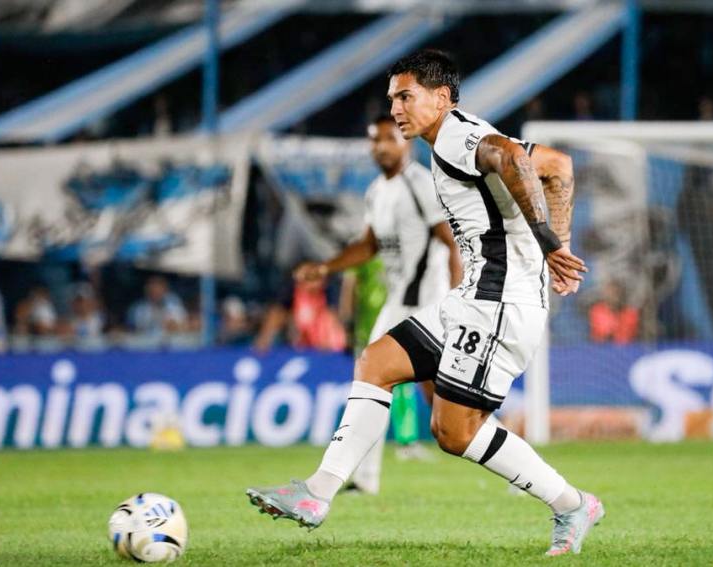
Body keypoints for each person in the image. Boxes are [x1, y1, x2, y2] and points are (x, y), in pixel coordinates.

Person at [247, 49, 602, 556]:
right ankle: (316, 493)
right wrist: (557, 245)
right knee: (376, 364)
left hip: (499, 303)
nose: (395, 109)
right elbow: (557, 165)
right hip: (473, 297)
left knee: (454, 433)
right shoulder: (457, 136)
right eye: (392, 99)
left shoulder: (456, 136)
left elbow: (512, 160)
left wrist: (549, 243)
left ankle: (572, 503)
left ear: (441, 97)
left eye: (405, 97)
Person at [291, 115, 462, 493]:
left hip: (427, 302)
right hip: (398, 301)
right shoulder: (376, 191)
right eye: (374, 140)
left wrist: (457, 300)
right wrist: (326, 267)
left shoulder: (421, 184)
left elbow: (450, 243)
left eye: (389, 138)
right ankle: (365, 478)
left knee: (440, 399)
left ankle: (514, 461)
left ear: (407, 143)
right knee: (391, 383)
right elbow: (368, 245)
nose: (380, 146)